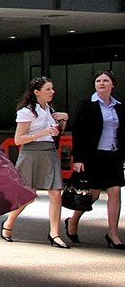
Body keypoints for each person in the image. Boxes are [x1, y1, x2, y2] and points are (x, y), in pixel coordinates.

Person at [1, 76, 69, 247]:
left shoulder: (50, 110)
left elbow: (56, 133)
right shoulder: (27, 111)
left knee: (56, 193)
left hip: (49, 152)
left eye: (52, 88)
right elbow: (18, 139)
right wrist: (43, 132)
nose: (52, 92)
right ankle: (8, 222)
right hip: (31, 153)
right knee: (29, 195)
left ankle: (54, 233)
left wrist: (64, 120)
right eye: (48, 89)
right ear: (36, 92)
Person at [65, 70, 124, 249]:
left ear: (113, 84)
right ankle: (73, 220)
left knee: (115, 192)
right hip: (92, 156)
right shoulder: (86, 105)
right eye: (98, 81)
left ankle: (113, 233)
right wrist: (78, 158)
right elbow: (79, 132)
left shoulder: (119, 106)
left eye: (105, 80)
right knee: (94, 193)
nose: (101, 83)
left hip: (113, 154)